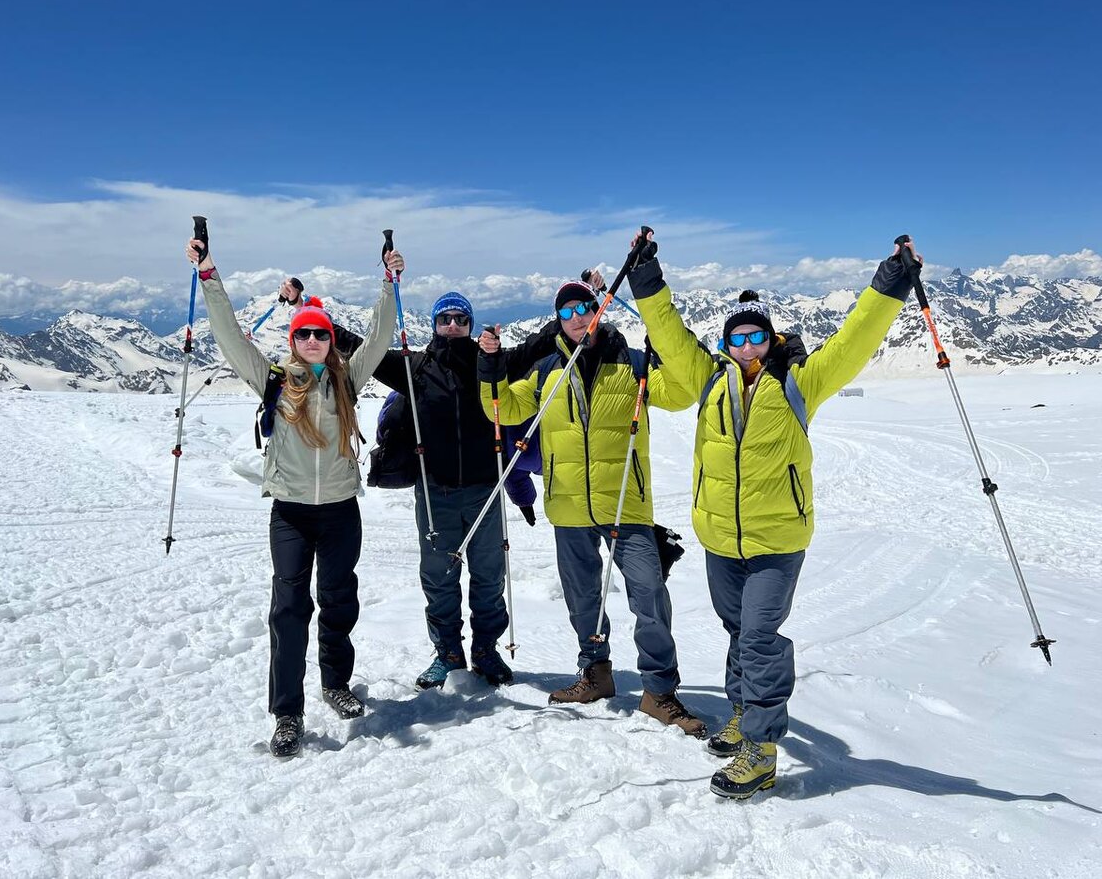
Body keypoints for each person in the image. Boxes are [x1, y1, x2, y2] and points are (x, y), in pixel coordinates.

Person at [625, 233, 922, 797]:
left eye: (757, 335)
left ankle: (760, 749)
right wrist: (645, 277)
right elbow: (667, 331)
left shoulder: (797, 384)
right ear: (725, 343)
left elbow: (854, 340)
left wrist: (890, 282)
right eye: (738, 337)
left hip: (777, 541)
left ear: (771, 337)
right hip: (719, 538)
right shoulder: (706, 379)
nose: (748, 346)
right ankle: (742, 712)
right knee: (738, 630)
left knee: (760, 636)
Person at [185, 234, 398, 758]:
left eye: (318, 335)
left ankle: (336, 683)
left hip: (341, 511)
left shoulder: (349, 381)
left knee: (338, 600)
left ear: (329, 341)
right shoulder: (275, 382)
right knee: (287, 608)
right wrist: (209, 275)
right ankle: (287, 712)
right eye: (302, 335)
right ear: (294, 339)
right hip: (292, 514)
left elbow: (379, 334)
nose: (310, 341)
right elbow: (231, 338)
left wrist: (390, 282)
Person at [478, 280, 708, 738]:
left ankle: (659, 690)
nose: (579, 316)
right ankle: (596, 674)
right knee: (583, 597)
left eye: (586, 307)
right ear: (558, 320)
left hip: (627, 503)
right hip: (568, 505)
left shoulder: (634, 363)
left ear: (599, 310)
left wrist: (667, 340)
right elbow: (499, 409)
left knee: (648, 594)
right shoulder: (546, 370)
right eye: (568, 312)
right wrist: (489, 363)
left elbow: (682, 393)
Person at [338, 292, 559, 689]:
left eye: (461, 318)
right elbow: (361, 348)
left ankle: (485, 651)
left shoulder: (492, 363)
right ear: (436, 324)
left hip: (485, 491)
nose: (453, 325)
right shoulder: (414, 367)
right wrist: (308, 312)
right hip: (434, 490)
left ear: (471, 324)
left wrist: (576, 307)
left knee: (489, 576)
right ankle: (447, 653)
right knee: (439, 576)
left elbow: (539, 345)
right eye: (446, 319)